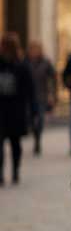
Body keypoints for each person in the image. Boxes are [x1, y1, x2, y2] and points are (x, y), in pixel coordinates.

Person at [0, 33, 35, 185]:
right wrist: (33, 111)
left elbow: (29, 89)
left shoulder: (21, 66)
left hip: (6, 111)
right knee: (15, 144)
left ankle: (3, 174)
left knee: (6, 144)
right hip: (16, 111)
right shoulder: (22, 65)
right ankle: (15, 171)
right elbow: (30, 91)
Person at [26, 40, 56, 156]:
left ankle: (38, 141)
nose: (34, 52)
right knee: (31, 120)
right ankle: (35, 136)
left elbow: (53, 78)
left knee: (40, 120)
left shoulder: (46, 62)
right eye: (32, 49)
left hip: (41, 96)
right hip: (29, 97)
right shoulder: (26, 62)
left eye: (36, 49)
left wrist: (52, 94)